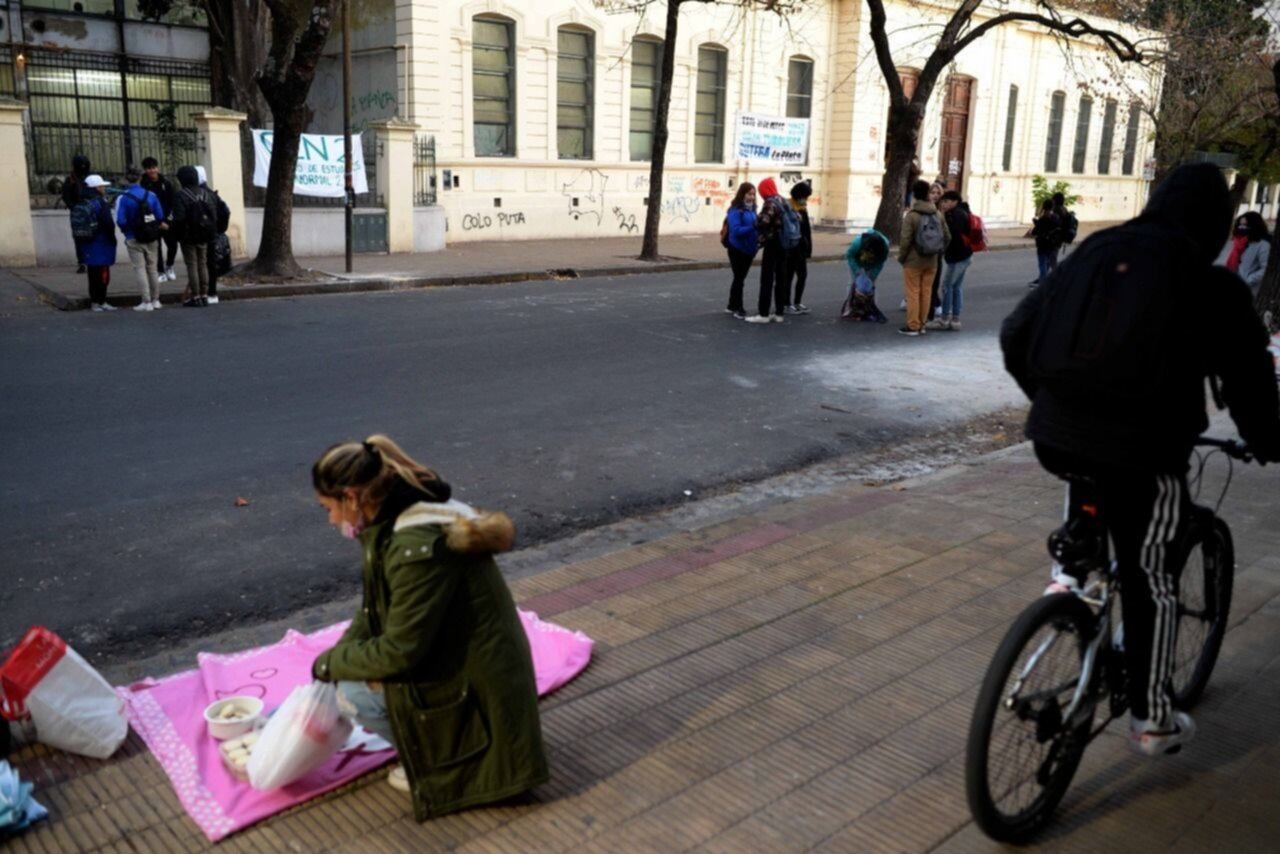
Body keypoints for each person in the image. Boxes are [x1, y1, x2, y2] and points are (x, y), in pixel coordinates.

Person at [1000, 163, 1280, 757]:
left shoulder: (1099, 248)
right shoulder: (1214, 288)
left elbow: (1016, 331)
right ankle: (1152, 718)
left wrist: (1052, 402)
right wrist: (1268, 441)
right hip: (1145, 454)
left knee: (1089, 478)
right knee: (1149, 572)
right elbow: (1253, 388)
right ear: (1214, 222)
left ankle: (1071, 574)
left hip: (1057, 436)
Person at [309, 435, 549, 818]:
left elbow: (400, 652)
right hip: (472, 665)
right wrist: (335, 656)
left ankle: (445, 767)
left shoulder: (415, 546)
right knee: (350, 672)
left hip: (479, 686)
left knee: (353, 693)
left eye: (329, 508)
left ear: (352, 497)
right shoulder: (398, 517)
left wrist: (331, 666)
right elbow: (375, 610)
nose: (331, 520)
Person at [897, 179, 949, 336]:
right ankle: (923, 324)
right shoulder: (938, 214)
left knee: (913, 292)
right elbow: (947, 236)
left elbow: (905, 240)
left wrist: (902, 257)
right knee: (926, 292)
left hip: (913, 260)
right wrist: (939, 251)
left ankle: (913, 325)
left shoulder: (912, 216)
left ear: (914, 194)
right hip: (932, 260)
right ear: (927, 194)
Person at [116, 164, 168, 312]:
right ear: (140, 177)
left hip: (133, 237)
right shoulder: (151, 195)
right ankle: (156, 300)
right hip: (152, 237)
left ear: (127, 179)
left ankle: (146, 302)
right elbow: (159, 216)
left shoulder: (123, 198)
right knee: (152, 269)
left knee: (139, 268)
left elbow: (121, 220)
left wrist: (127, 232)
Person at [171, 165, 217, 307]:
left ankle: (195, 295)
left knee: (192, 265)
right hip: (204, 234)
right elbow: (213, 214)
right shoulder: (205, 193)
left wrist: (177, 233)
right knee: (203, 263)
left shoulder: (181, 195)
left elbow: (179, 218)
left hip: (188, 236)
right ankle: (204, 294)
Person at [747, 177, 789, 324]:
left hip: (773, 243)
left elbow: (763, 221)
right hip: (785, 243)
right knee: (781, 279)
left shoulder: (770, 203)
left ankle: (763, 313)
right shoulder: (783, 200)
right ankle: (779, 313)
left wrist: (756, 220)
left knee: (767, 278)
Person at [930, 189, 972, 331]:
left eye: (947, 201)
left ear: (955, 201)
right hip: (963, 255)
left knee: (947, 286)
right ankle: (955, 319)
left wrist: (942, 217)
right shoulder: (963, 212)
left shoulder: (956, 215)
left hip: (957, 257)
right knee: (956, 287)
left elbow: (950, 234)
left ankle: (944, 319)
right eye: (943, 201)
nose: (944, 204)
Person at [78, 175, 118, 312]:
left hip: (87, 241)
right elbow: (108, 223)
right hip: (102, 242)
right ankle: (101, 301)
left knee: (92, 273)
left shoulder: (83, 200)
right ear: (96, 188)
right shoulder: (100, 202)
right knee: (103, 274)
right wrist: (113, 239)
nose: (103, 188)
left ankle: (95, 302)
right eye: (101, 186)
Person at [196, 165, 232, 305]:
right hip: (212, 233)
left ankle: (202, 292)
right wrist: (219, 229)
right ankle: (212, 292)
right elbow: (225, 212)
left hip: (202, 234)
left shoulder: (198, 194)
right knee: (210, 264)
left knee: (201, 263)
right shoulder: (212, 194)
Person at [723, 182, 758, 319]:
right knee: (739, 278)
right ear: (742, 194)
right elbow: (736, 231)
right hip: (736, 248)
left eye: (753, 194)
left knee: (740, 278)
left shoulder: (753, 210)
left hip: (749, 249)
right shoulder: (735, 210)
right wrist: (754, 227)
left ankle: (731, 305)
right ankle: (739, 308)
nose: (751, 197)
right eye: (749, 194)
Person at [140, 157, 179, 283]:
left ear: (157, 168)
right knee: (156, 249)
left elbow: (173, 204)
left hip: (167, 222)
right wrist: (156, 222)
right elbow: (144, 206)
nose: (151, 170)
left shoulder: (166, 184)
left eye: (153, 167)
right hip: (153, 223)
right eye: (148, 168)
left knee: (173, 245)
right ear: (145, 170)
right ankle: (160, 271)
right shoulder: (143, 185)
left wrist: (167, 221)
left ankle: (169, 266)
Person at [840, 229, 890, 323]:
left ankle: (870, 308)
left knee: (871, 286)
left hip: (873, 265)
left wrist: (873, 276)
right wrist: (857, 271)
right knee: (854, 283)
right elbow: (850, 256)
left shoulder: (885, 246)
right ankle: (850, 308)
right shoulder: (857, 243)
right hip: (857, 263)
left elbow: (880, 262)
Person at [783, 181, 814, 314]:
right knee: (789, 276)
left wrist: (808, 249)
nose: (806, 200)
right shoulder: (789, 207)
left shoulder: (803, 208)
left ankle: (797, 301)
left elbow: (807, 231)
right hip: (791, 248)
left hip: (801, 248)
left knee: (802, 275)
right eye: (805, 196)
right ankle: (786, 303)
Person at [62, 155, 92, 274]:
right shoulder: (70, 179)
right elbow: (66, 196)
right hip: (78, 213)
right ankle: (82, 262)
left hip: (91, 211)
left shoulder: (91, 177)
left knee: (92, 236)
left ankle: (91, 260)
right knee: (79, 238)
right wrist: (75, 208)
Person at [1232, 211, 1270, 295]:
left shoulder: (1263, 245)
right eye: (1240, 225)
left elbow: (1266, 269)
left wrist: (1248, 280)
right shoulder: (1239, 242)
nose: (1241, 228)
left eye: (1245, 225)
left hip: (1250, 290)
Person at [1029, 199, 1062, 286]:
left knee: (1042, 264)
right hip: (1052, 245)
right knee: (1048, 263)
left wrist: (1036, 223)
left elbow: (1034, 232)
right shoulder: (1056, 218)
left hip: (1042, 245)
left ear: (1044, 207)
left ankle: (1043, 283)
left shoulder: (1043, 219)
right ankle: (1048, 281)